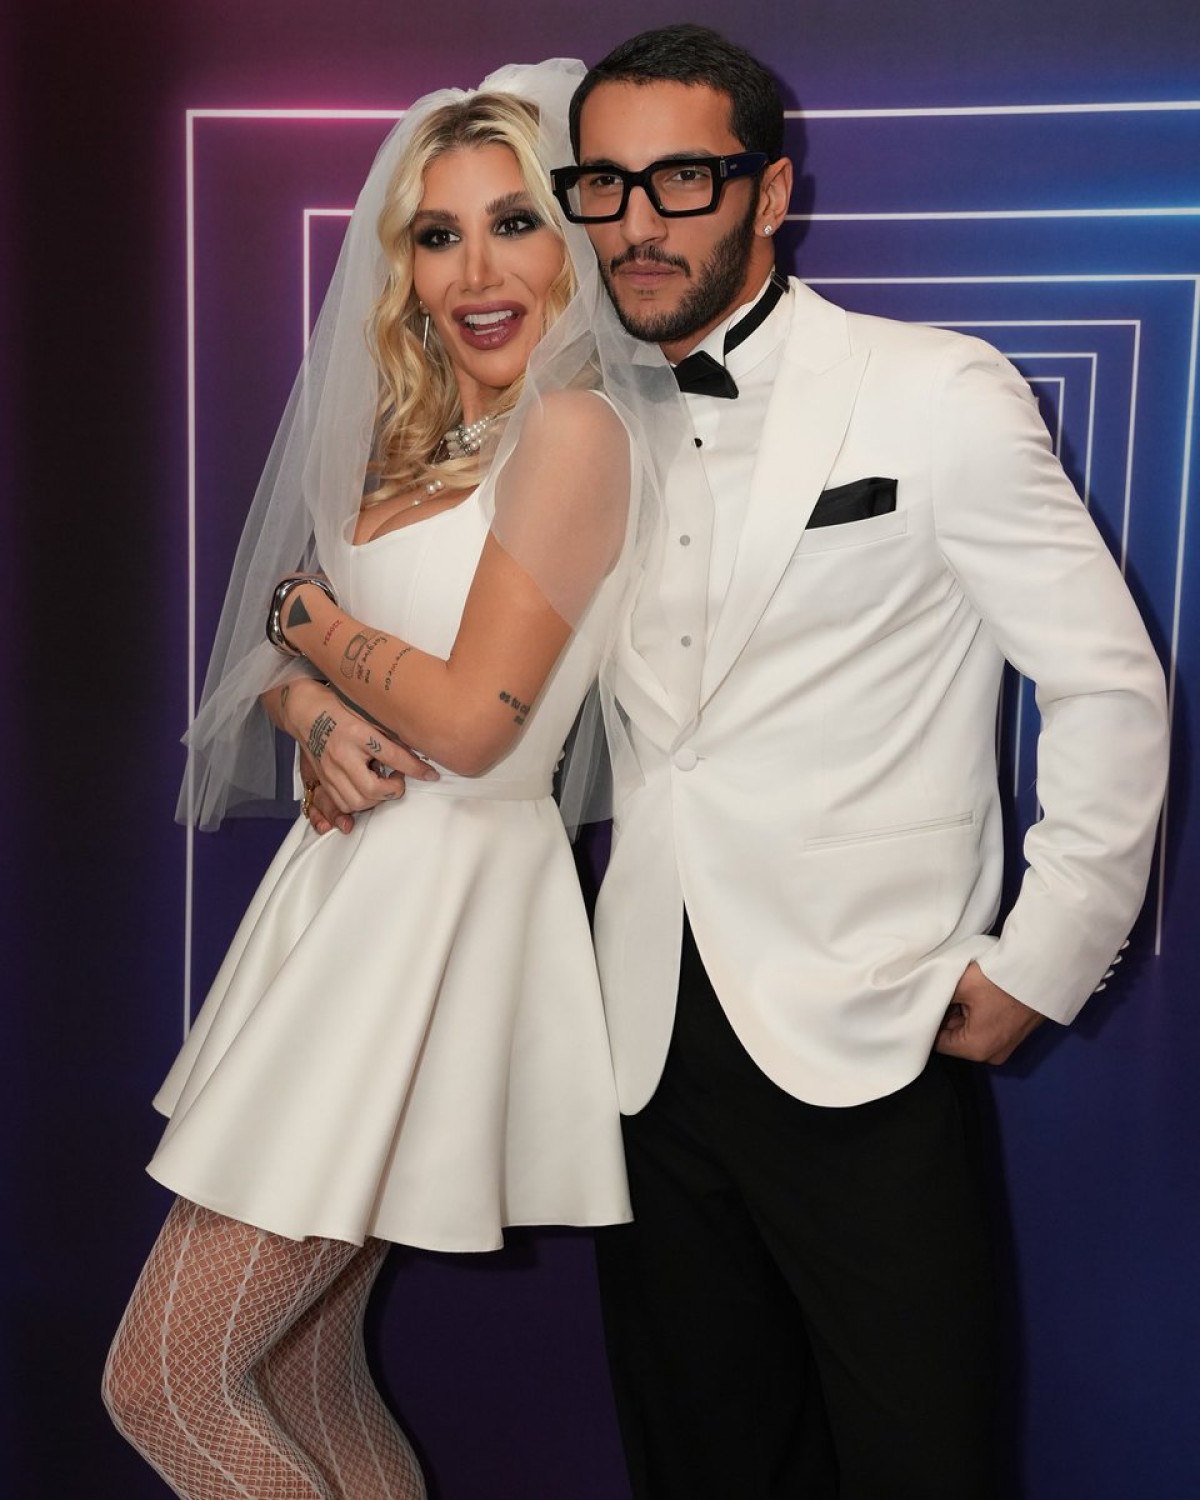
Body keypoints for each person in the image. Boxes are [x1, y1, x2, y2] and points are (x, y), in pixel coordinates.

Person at [550, 24, 1172, 1499]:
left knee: (920, 1459)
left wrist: (1047, 956)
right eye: (604, 185)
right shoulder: (578, 427)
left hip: (871, 1020)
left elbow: (1105, 683)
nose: (637, 222)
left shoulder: (934, 390)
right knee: (700, 1461)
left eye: (683, 179)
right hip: (635, 1041)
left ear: (770, 193)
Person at [102, 60, 678, 1500]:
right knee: (304, 1369)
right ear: (403, 266)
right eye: (438, 235)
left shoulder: (575, 428)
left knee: (165, 1385)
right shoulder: (419, 437)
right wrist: (311, 710)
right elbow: (290, 671)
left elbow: (473, 725)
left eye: (515, 223)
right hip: (354, 890)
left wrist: (305, 618)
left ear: (574, 242)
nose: (476, 272)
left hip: (437, 899)